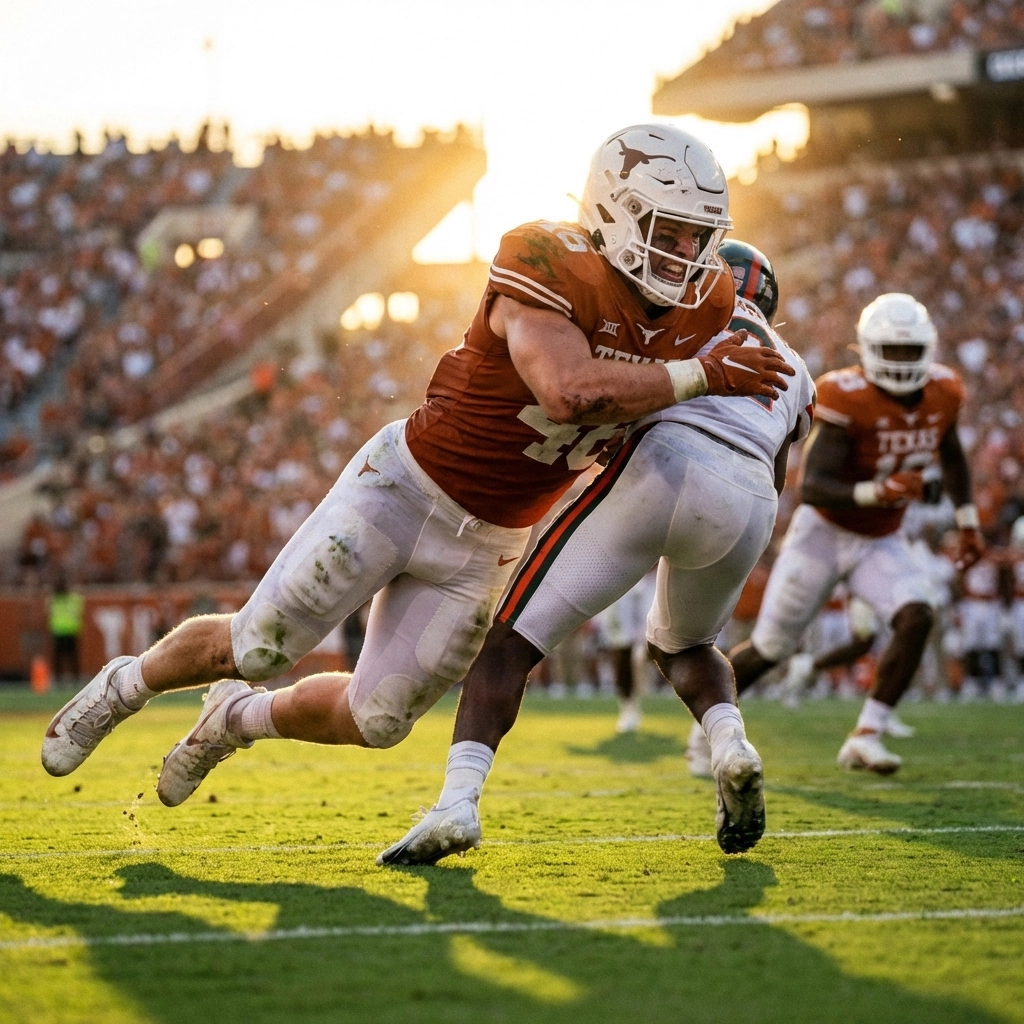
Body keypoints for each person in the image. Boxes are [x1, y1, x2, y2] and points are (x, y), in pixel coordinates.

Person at [41, 126, 793, 806]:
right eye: (670, 232)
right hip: (404, 489)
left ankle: (235, 719)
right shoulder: (545, 257)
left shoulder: (710, 301)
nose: (685, 256)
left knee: (378, 720)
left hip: (494, 541)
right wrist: (700, 376)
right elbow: (567, 392)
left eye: (700, 237)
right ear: (616, 213)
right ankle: (124, 687)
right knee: (258, 644)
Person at [378, 240, 811, 866]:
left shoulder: (682, 314)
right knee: (687, 646)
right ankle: (731, 745)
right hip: (748, 504)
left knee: (508, 642)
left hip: (663, 466)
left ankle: (457, 804)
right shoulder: (798, 368)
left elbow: (616, 394)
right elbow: (776, 473)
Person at [727, 293, 984, 774]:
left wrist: (968, 521)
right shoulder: (846, 394)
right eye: (893, 351)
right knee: (771, 649)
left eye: (911, 351)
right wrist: (878, 491)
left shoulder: (946, 390)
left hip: (881, 539)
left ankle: (866, 734)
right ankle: (707, 728)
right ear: (866, 350)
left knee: (917, 616)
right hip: (822, 535)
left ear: (928, 349)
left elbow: (951, 453)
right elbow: (816, 486)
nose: (904, 362)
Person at [49, 575, 84, 683]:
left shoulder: (56, 599)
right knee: (64, 657)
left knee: (67, 657)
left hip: (64, 631)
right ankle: (67, 678)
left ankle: (69, 678)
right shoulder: (72, 599)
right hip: (65, 630)